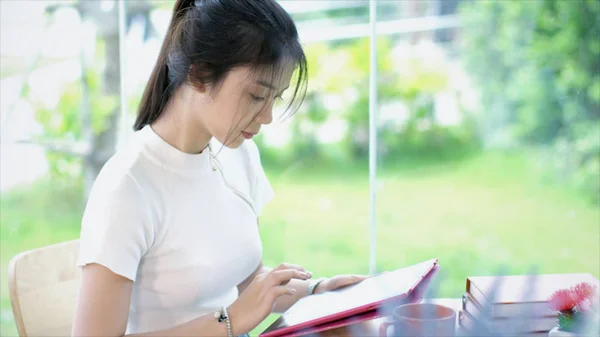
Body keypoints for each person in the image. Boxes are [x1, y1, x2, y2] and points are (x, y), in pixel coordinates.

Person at [71, 0, 367, 336]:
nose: (268, 116)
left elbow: (243, 281)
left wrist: (318, 291)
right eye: (257, 96)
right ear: (199, 74)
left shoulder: (237, 154)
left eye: (276, 98)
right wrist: (231, 321)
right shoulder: (127, 187)